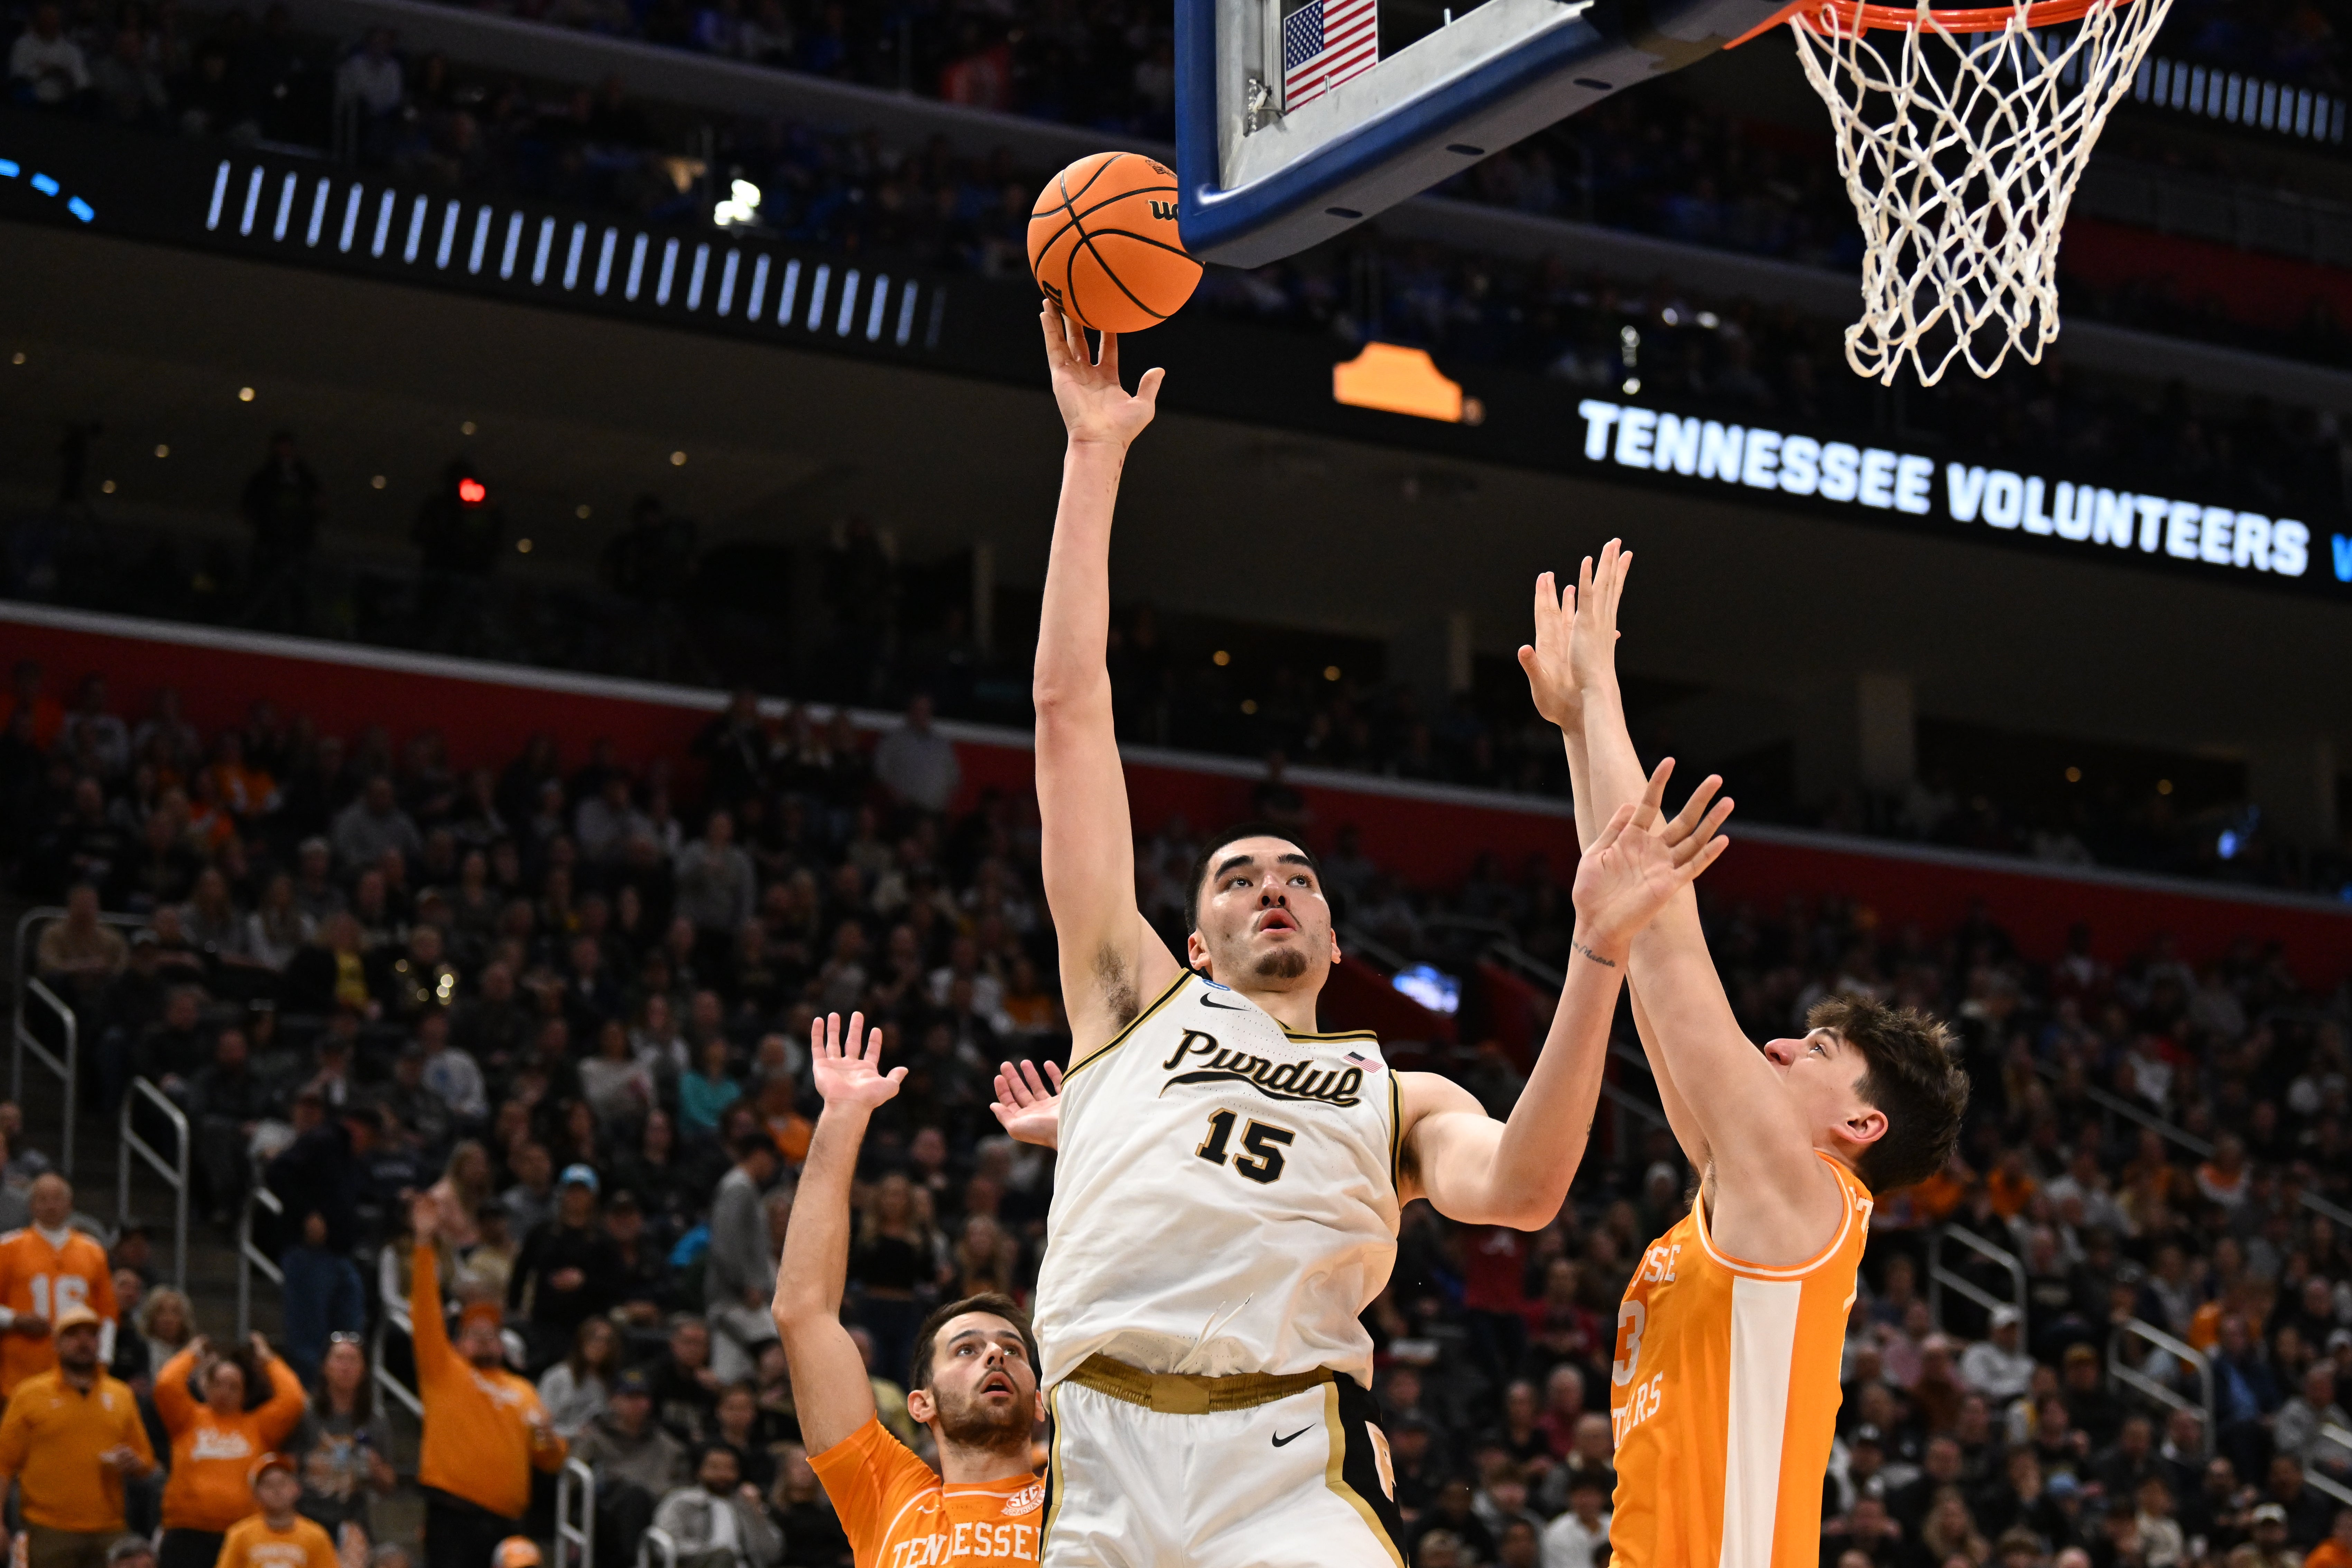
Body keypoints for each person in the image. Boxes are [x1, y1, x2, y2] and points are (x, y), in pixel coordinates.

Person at [990, 305, 1729, 1568]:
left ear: (1335, 939)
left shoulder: (1397, 1092)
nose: (1271, 888)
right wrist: (1092, 456)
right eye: (1237, 879)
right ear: (1198, 939)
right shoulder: (1130, 1000)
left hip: (1284, 1464)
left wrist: (1596, 954)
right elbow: (1067, 714)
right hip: (1100, 1457)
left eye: (1298, 877)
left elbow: (1524, 1188)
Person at [1531, 540, 1971, 1568]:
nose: (1777, 1042)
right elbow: (1639, 948)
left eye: (1815, 1047)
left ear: (1859, 1123)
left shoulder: (1800, 1194)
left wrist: (1601, 695)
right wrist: (1574, 724)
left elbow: (1673, 951)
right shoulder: (1745, 1198)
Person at [771, 1012, 1046, 1568]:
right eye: (965, 1348)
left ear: (1041, 1399)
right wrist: (842, 1116)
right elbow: (803, 1312)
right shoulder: (886, 1494)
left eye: (1012, 1350)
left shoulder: (1085, 1495)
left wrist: (1083, 1155)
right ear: (920, 1403)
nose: (995, 1351)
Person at [406, 1192, 569, 1568]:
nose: (484, 1336)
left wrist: (549, 1440)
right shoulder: (445, 1370)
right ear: (459, 1342)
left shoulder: (523, 1390)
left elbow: (551, 1458)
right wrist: (424, 1244)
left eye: (490, 1331)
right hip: (453, 1515)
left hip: (508, 1523)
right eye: (474, 1331)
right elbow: (425, 1311)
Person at [0, 1305, 156, 1568]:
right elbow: (3, 1463)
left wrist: (134, 1463)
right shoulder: (29, 1394)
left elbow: (147, 1462)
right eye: (73, 1335)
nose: (84, 1342)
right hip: (48, 1529)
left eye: (91, 1335)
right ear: (57, 1344)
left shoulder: (121, 1395)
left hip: (109, 1529)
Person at [153, 1333, 308, 1568]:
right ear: (207, 1386)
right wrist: (192, 1354)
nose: (225, 1391)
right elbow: (166, 1384)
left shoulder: (258, 1427)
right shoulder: (187, 1419)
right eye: (219, 1384)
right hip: (186, 1531)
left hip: (241, 1534)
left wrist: (268, 1359)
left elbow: (294, 1398)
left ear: (245, 1394)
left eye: (234, 1387)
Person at [0, 1173, 122, 1396]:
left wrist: (103, 1360)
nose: (51, 1206)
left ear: (70, 1205)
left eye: (57, 1199)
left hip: (79, 1374)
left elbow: (108, 1314)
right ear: (31, 1206)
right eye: (43, 1199)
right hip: (22, 1375)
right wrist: (15, 1319)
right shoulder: (8, 1247)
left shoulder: (92, 1251)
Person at [289, 1335, 395, 1548]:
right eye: (339, 1359)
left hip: (352, 1518)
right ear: (325, 1367)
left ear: (364, 1371)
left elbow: (389, 1485)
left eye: (353, 1360)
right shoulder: (304, 1415)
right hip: (306, 1516)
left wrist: (375, 1467)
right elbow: (286, 1465)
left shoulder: (375, 1422)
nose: (346, 1367)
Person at [705, 1134, 781, 1384]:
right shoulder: (737, 1187)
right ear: (760, 1154)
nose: (773, 1166)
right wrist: (746, 1283)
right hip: (735, 1299)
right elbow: (727, 1242)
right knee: (772, 1353)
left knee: (738, 1373)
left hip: (740, 1298)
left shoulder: (745, 1187)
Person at [650, 1443, 782, 1568]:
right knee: (723, 1557)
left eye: (730, 1469)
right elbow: (665, 1545)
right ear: (699, 1471)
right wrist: (713, 1553)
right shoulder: (681, 1501)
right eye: (715, 1468)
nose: (722, 1474)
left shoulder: (745, 1505)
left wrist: (757, 1512)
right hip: (698, 1565)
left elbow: (772, 1554)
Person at [214, 1453, 337, 1568]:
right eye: (268, 1485)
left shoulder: (316, 1536)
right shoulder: (240, 1536)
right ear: (255, 1494)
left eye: (282, 1483)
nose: (277, 1490)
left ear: (296, 1488)